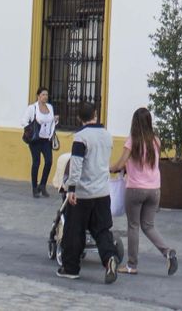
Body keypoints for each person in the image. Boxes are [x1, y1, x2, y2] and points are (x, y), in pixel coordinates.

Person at [55, 100, 119, 284]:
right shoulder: (108, 136)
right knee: (102, 230)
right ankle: (109, 259)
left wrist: (71, 187)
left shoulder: (81, 138)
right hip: (102, 191)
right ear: (96, 115)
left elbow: (76, 164)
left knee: (74, 230)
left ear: (78, 118)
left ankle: (70, 268)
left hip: (83, 192)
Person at [109, 107, 178, 276]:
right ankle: (167, 252)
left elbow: (120, 164)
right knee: (148, 225)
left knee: (133, 226)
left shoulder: (132, 141)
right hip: (154, 189)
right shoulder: (156, 141)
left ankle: (132, 265)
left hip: (135, 189)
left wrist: (111, 168)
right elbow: (148, 162)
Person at [24, 86, 60, 197]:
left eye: (46, 95)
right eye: (43, 94)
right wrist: (31, 128)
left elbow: (51, 121)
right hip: (35, 139)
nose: (45, 97)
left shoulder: (50, 107)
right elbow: (24, 121)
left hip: (46, 139)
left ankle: (42, 185)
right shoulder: (32, 108)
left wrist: (54, 121)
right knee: (36, 162)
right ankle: (35, 187)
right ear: (38, 96)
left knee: (49, 161)